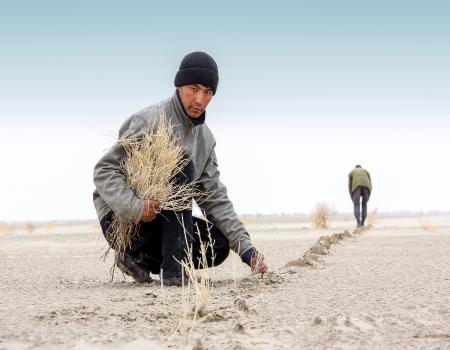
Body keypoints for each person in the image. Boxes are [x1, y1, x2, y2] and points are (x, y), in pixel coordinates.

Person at [93, 51, 268, 286]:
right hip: (124, 223)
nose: (199, 100)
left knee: (218, 244)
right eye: (193, 89)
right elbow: (104, 171)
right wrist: (136, 207)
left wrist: (247, 251)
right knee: (183, 164)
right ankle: (174, 272)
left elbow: (214, 197)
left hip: (165, 224)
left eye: (208, 92)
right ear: (179, 86)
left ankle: (137, 260)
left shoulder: (205, 139)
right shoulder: (149, 121)